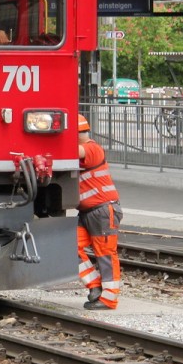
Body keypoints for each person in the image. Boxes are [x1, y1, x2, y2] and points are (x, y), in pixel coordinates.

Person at [76, 114, 122, 310]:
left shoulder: (92, 149)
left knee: (105, 254)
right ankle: (95, 286)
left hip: (103, 210)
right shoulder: (84, 150)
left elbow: (75, 151)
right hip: (87, 212)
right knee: (69, 247)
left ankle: (109, 299)